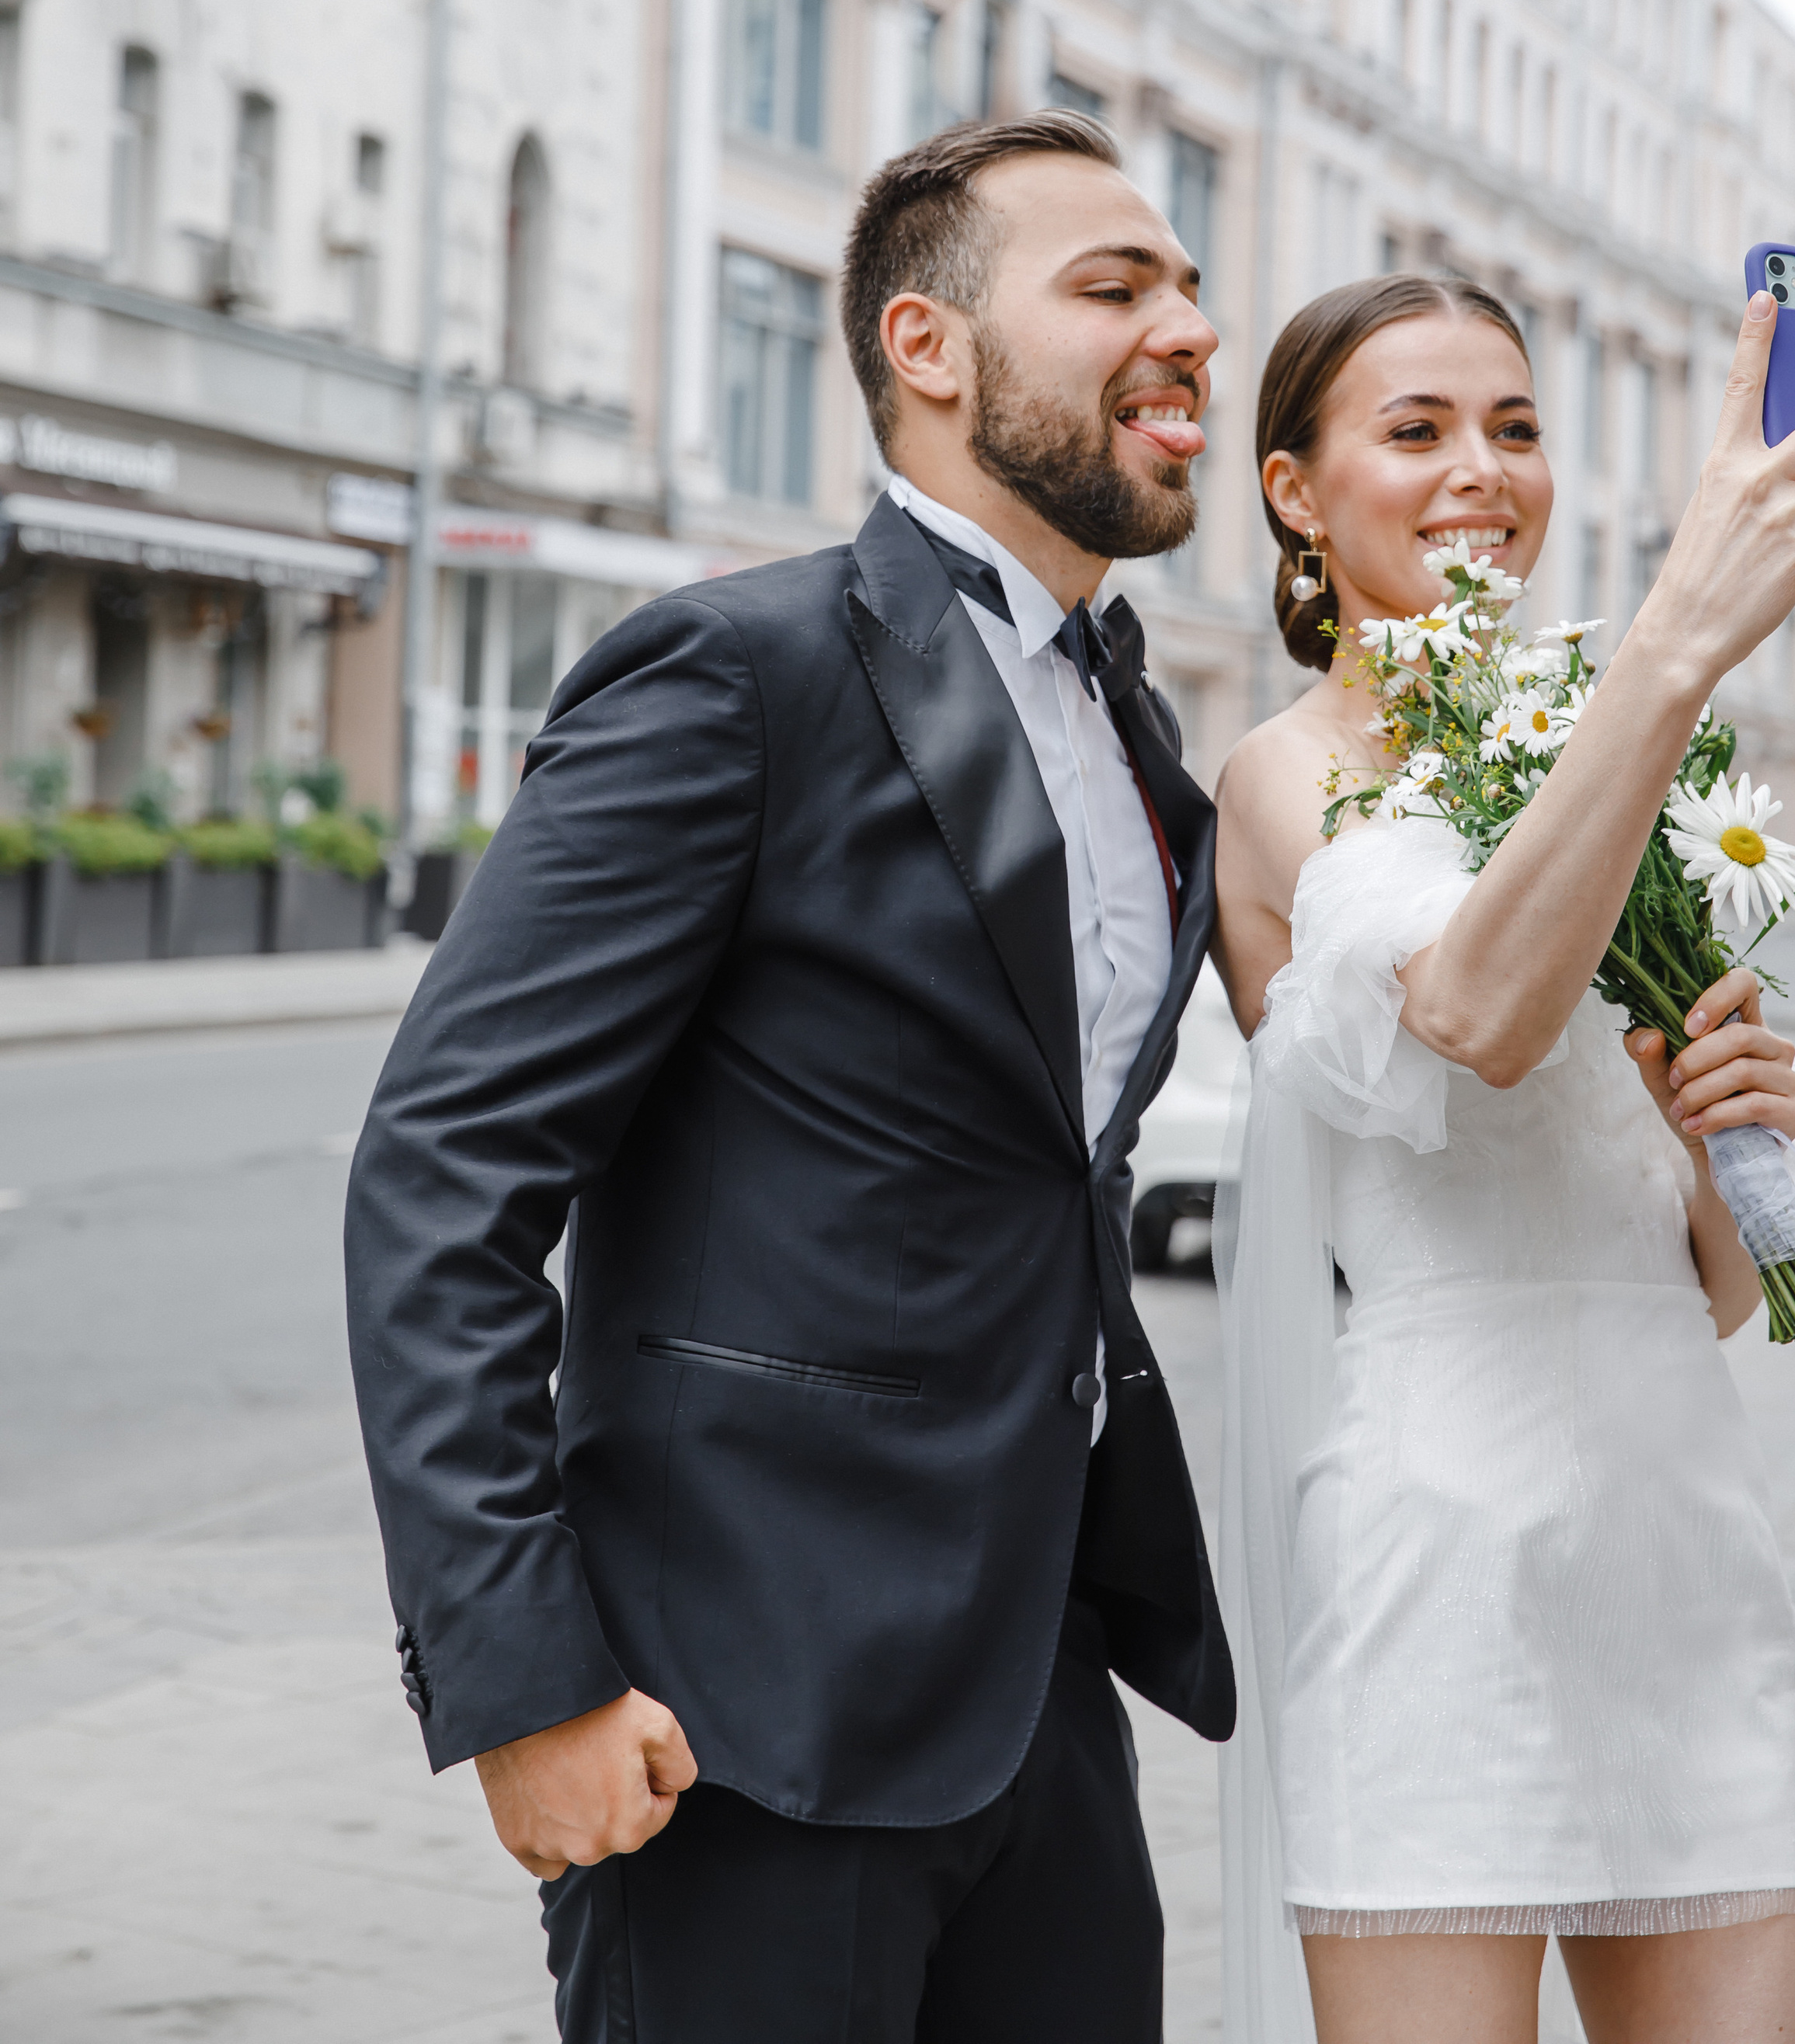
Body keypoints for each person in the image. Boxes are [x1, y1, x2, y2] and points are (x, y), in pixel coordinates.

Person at [343, 110, 1234, 2044]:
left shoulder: (1147, 740)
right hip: (731, 1723)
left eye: (1187, 287)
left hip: (1038, 1703)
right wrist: (525, 1685)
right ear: (928, 348)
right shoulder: (732, 676)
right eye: (1113, 287)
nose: (1185, 325)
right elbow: (442, 1177)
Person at [1212, 272, 1795, 2044]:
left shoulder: (1614, 756)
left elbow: (1720, 1291)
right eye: (1417, 428)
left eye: (1513, 428)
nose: (1480, 470)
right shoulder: (1280, 778)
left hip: (1679, 1544)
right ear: (1295, 492)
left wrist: (1725, 1120)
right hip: (1436, 1548)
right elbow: (1476, 1012)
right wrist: (1672, 648)